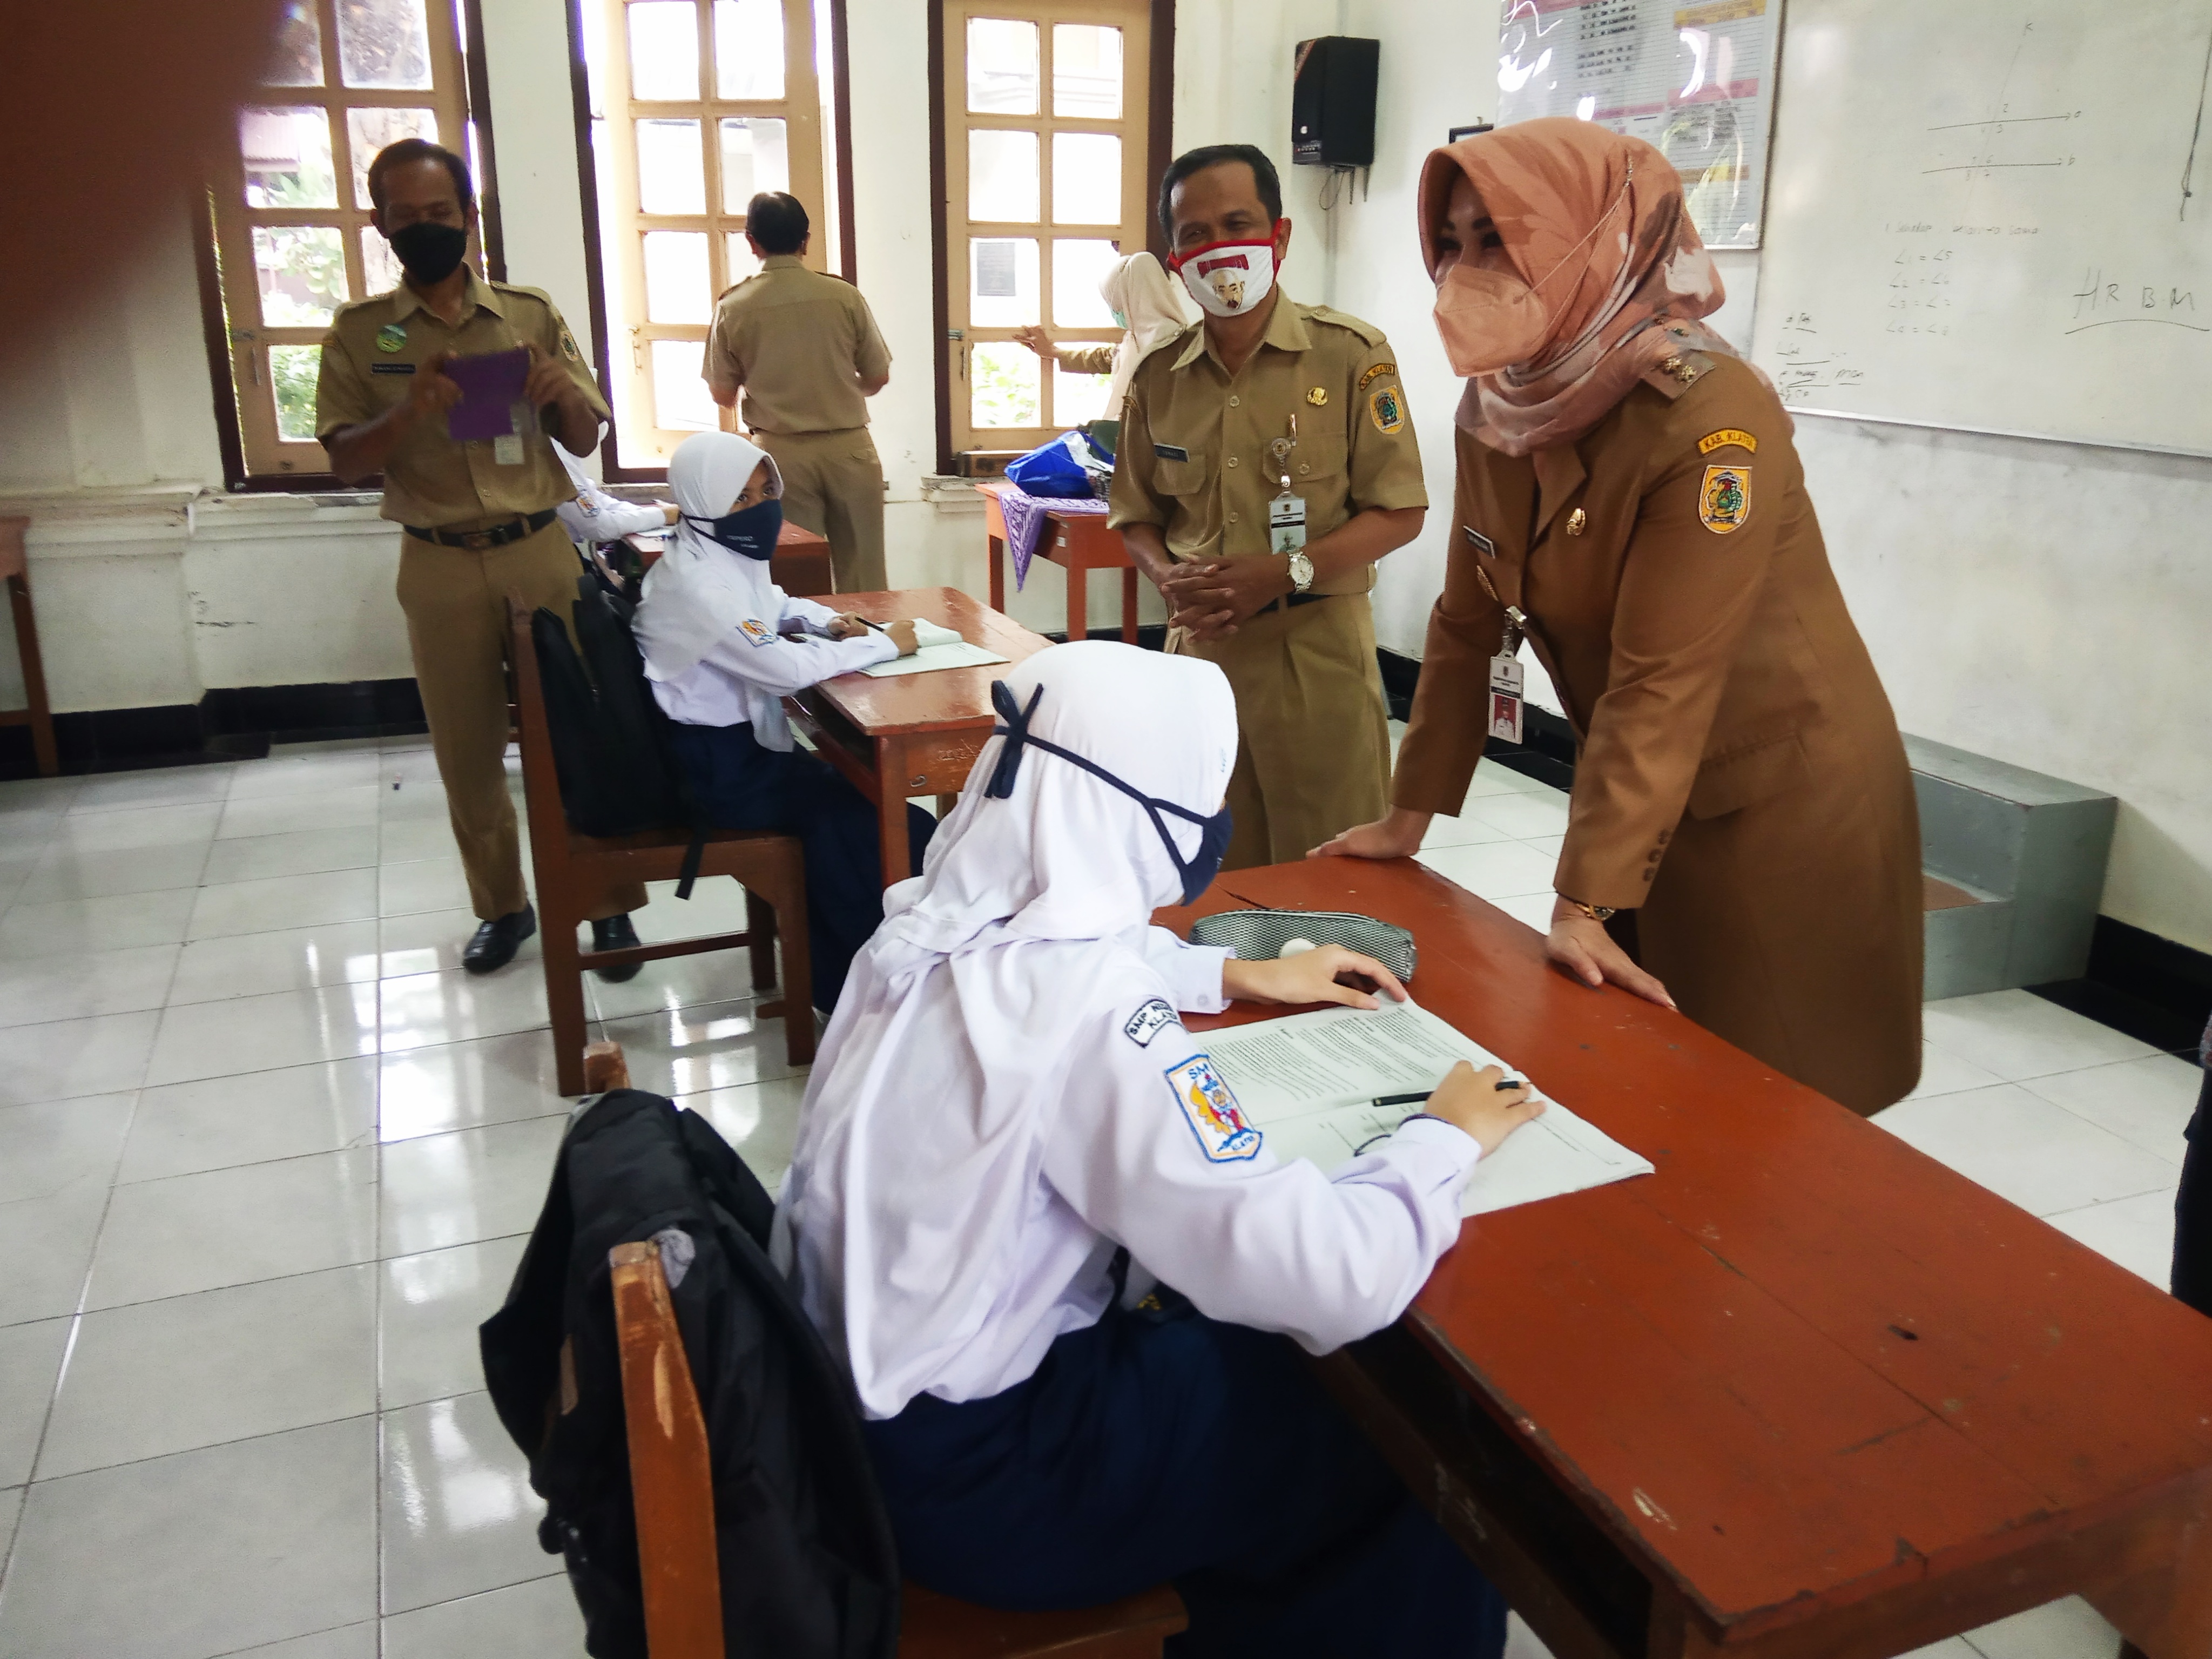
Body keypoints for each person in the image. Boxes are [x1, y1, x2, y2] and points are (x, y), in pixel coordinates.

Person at [774, 640, 1539, 1654]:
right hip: (985, 1483)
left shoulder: (919, 923)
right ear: (1145, 814)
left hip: (849, 1427)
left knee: (1225, 1347)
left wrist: (1230, 976)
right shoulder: (1094, 1014)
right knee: (1403, 1439)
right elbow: (1328, 1274)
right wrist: (1439, 1140)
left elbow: (1071, 939)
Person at [1318, 119, 1923, 1116]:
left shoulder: (1707, 415)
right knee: (1655, 1073)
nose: (1466, 271)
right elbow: (1466, 621)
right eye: (1454, 243)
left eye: (1497, 239)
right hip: (1644, 791)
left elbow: (1666, 675)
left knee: (1778, 1112)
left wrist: (1582, 895)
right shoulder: (1501, 408)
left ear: (1591, 239)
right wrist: (1406, 814)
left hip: (1775, 804)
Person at [317, 138, 644, 977]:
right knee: (466, 751)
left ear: (469, 216)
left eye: (440, 214)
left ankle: (608, 908)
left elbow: (584, 436)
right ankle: (503, 907)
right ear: (380, 223)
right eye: (406, 217)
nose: (425, 229)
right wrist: (411, 411)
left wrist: (563, 394)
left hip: (536, 547)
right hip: (436, 562)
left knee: (580, 730)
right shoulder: (364, 334)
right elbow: (347, 459)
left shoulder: (527, 314)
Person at [1108, 144, 1427, 871]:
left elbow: (1400, 511)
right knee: (1212, 878)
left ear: (1279, 237)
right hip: (1201, 662)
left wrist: (1287, 573)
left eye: (1237, 224)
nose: (1219, 250)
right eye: (1196, 235)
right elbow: (1135, 514)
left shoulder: (1351, 355)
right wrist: (1164, 576)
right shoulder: (1159, 377)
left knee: (1337, 881)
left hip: (1316, 654)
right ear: (1175, 258)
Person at [632, 430, 934, 1013]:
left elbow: (771, 606)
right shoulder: (696, 585)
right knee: (882, 824)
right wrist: (883, 646)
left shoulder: (711, 555)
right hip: (718, 774)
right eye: (739, 498)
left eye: (765, 490)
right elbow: (783, 670)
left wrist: (827, 621)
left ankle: (841, 980)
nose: (760, 507)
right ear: (700, 501)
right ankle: (880, 993)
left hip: (742, 753)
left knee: (868, 806)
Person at [705, 192, 893, 594]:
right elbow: (878, 377)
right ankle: (874, 647)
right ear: (806, 241)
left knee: (798, 572)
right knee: (866, 575)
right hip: (850, 448)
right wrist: (837, 389)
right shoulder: (844, 296)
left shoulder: (735, 306)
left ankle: (807, 654)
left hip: (780, 454)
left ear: (751, 242)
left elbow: (722, 393)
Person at [1013, 250, 1189, 434]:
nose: (1114, 312)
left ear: (1129, 297)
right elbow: (1108, 358)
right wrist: (1055, 352)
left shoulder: (1169, 343)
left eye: (1114, 303)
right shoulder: (1138, 337)